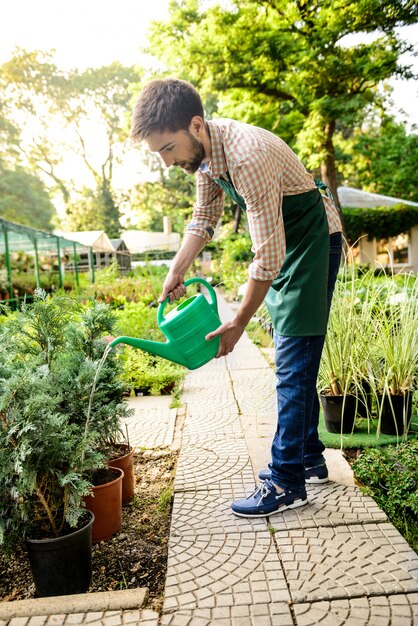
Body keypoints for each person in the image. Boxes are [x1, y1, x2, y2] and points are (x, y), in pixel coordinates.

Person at [130, 78, 343, 518]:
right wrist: (177, 269)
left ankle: (285, 481)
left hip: (312, 242)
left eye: (168, 149)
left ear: (195, 125)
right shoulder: (206, 157)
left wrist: (240, 320)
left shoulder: (246, 156)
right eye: (159, 154)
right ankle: (309, 457)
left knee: (293, 361)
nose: (168, 163)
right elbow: (204, 217)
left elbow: (267, 254)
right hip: (287, 244)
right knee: (294, 355)